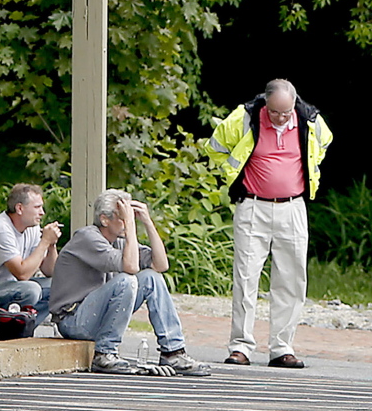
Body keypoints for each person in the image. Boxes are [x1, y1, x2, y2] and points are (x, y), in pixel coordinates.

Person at [205, 79, 333, 368]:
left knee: (292, 279)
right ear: (265, 103)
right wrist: (233, 175)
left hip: (293, 205)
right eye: (275, 112)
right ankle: (241, 346)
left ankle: (282, 347)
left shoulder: (309, 120)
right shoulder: (245, 117)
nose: (280, 118)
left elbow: (323, 144)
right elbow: (215, 147)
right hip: (252, 205)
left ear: (294, 105)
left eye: (286, 113)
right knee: (246, 276)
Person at [48, 189, 211, 376]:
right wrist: (131, 225)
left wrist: (148, 222)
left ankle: (173, 352)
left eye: (129, 216)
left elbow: (160, 265)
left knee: (152, 277)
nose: (127, 221)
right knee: (126, 280)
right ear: (104, 219)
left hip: (97, 316)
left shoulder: (118, 241)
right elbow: (131, 267)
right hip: (73, 320)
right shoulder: (87, 238)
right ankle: (105, 353)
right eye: (122, 216)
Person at [0, 183, 61, 339]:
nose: (42, 212)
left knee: (59, 286)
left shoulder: (31, 227)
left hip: (14, 286)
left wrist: (51, 246)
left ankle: (22, 328)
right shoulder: (0, 229)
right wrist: (44, 242)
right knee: (31, 289)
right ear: (20, 208)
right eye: (37, 207)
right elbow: (22, 274)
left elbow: (50, 271)